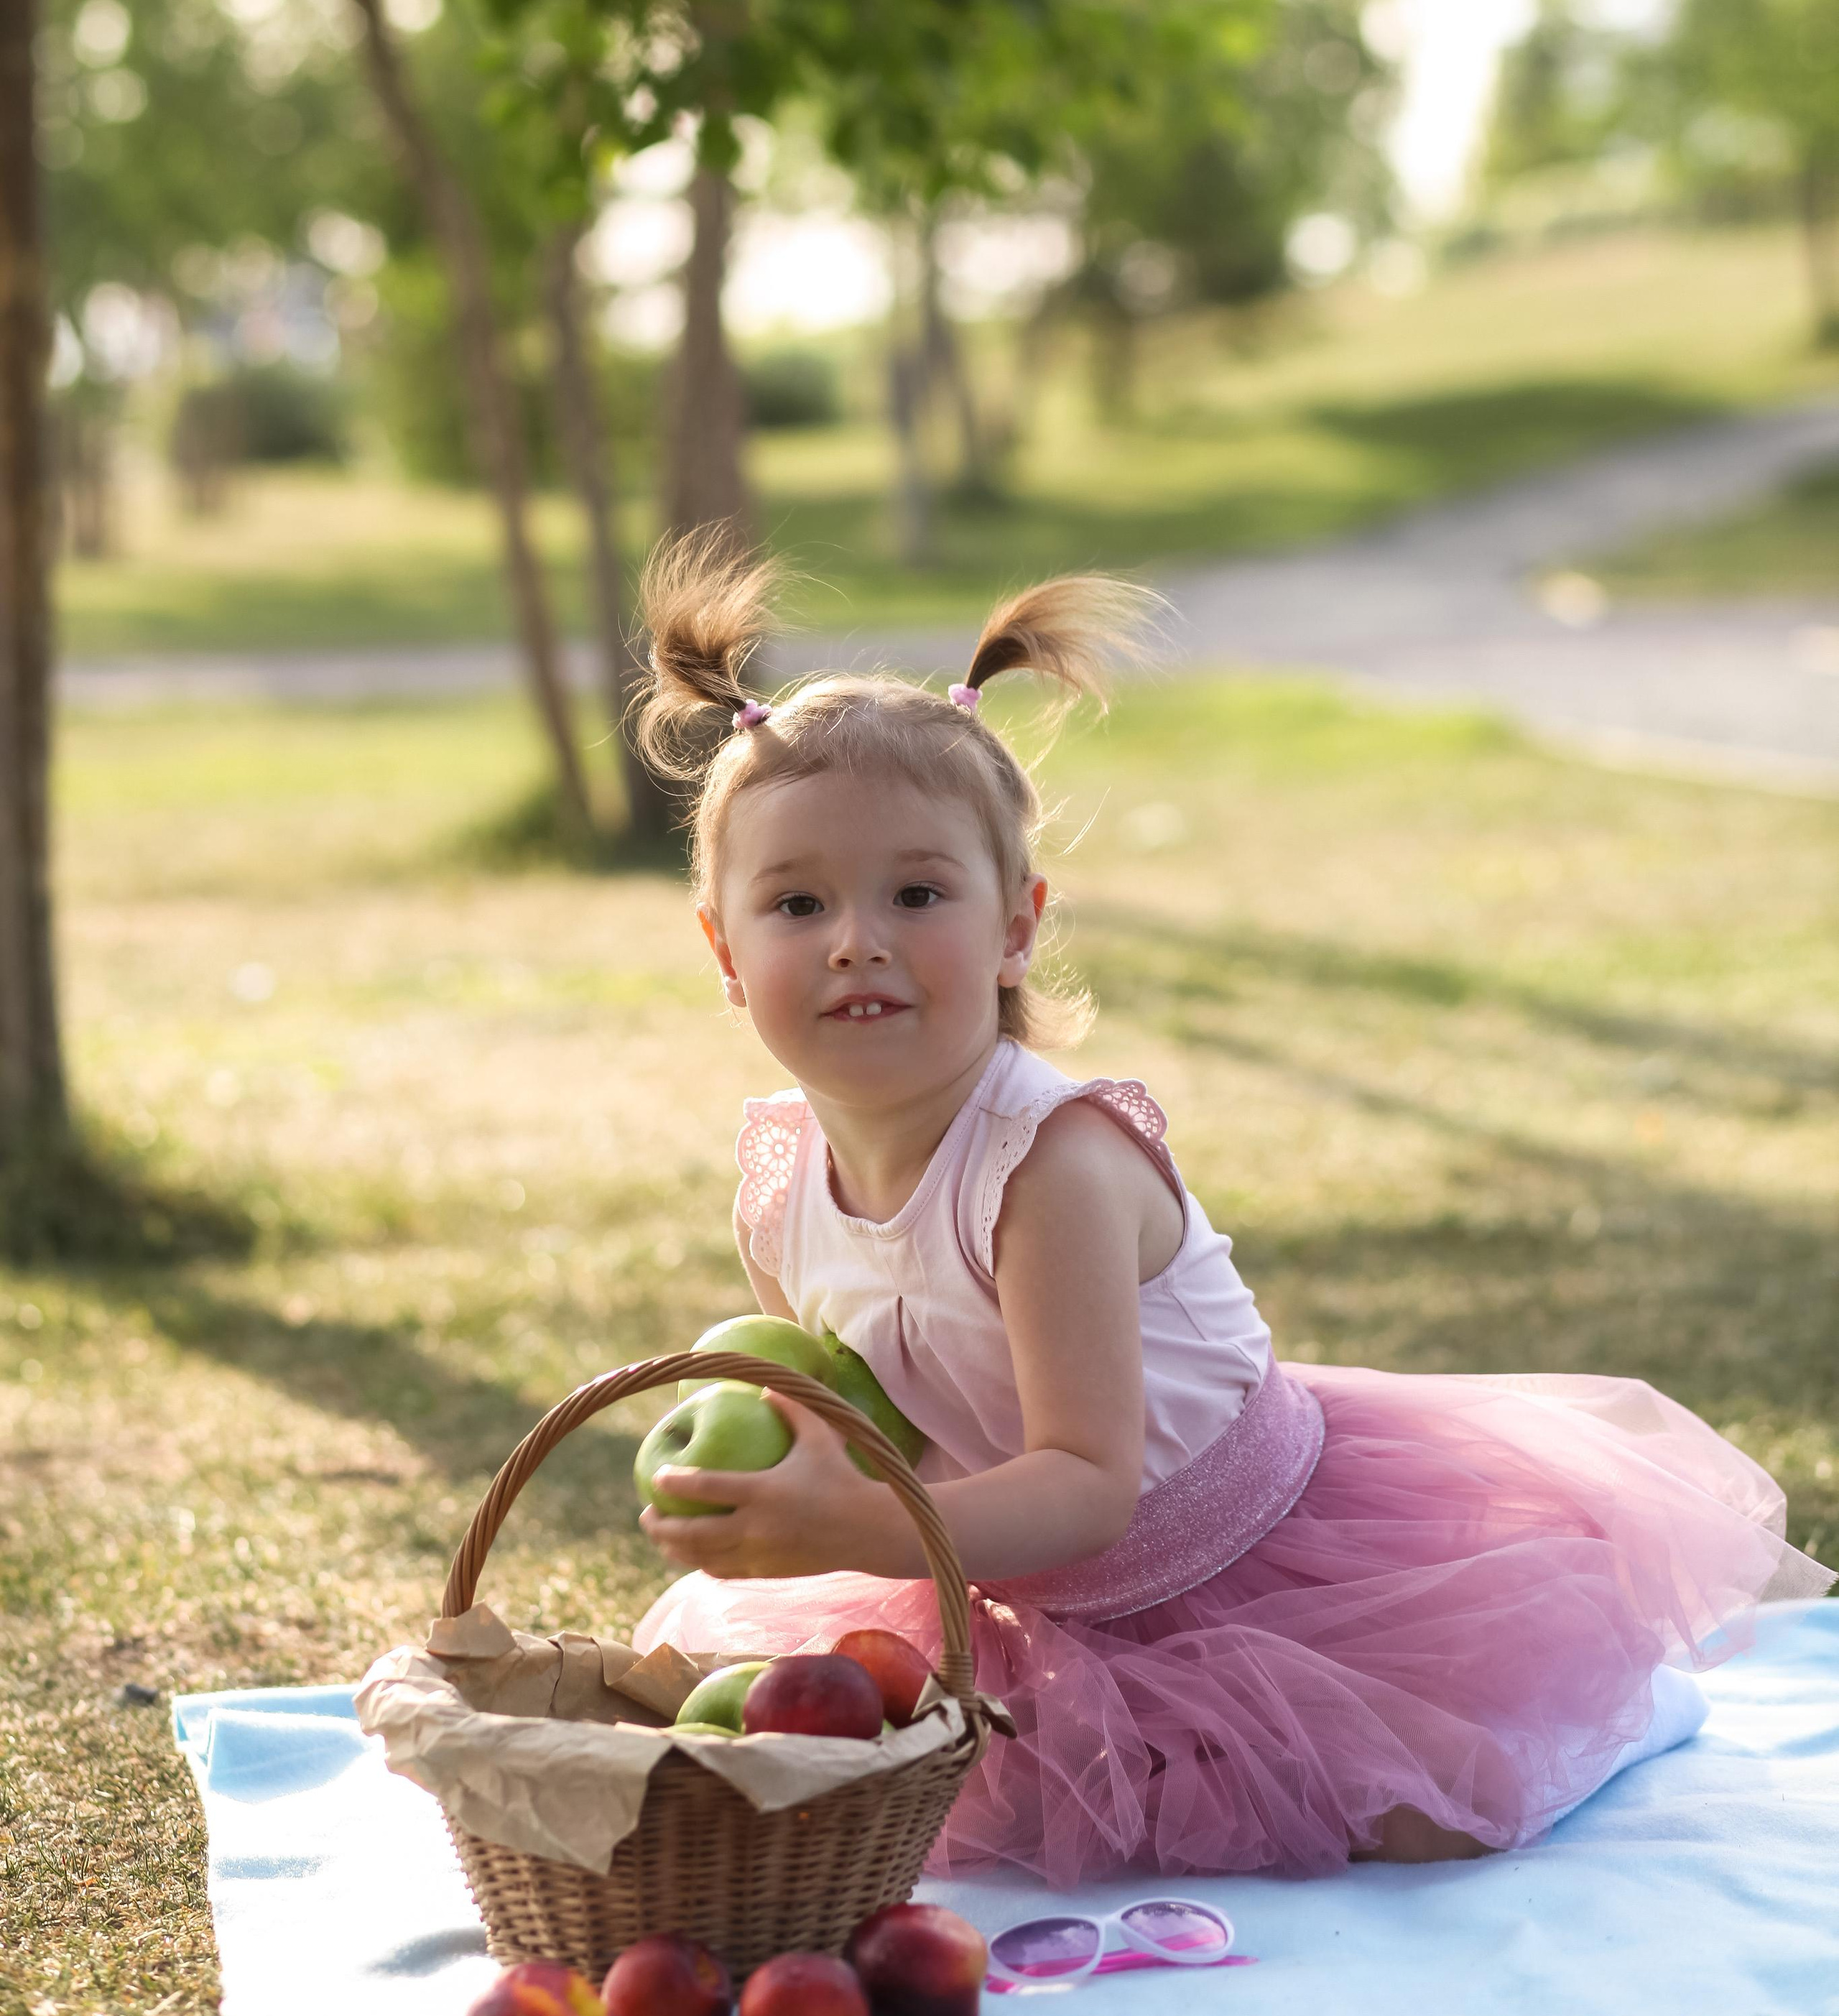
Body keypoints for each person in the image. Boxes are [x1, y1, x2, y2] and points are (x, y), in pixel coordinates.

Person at [629, 539, 1830, 1883]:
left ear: (1018, 927)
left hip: (1246, 1557)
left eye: (918, 894)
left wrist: (852, 1525)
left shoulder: (1049, 1169)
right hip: (1009, 1583)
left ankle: (1611, 1711)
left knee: (1417, 1805)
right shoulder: (787, 1187)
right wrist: (801, 1491)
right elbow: (893, 1422)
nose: (858, 938)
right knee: (926, 1798)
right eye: (799, 904)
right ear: (727, 954)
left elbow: (1087, 1487)